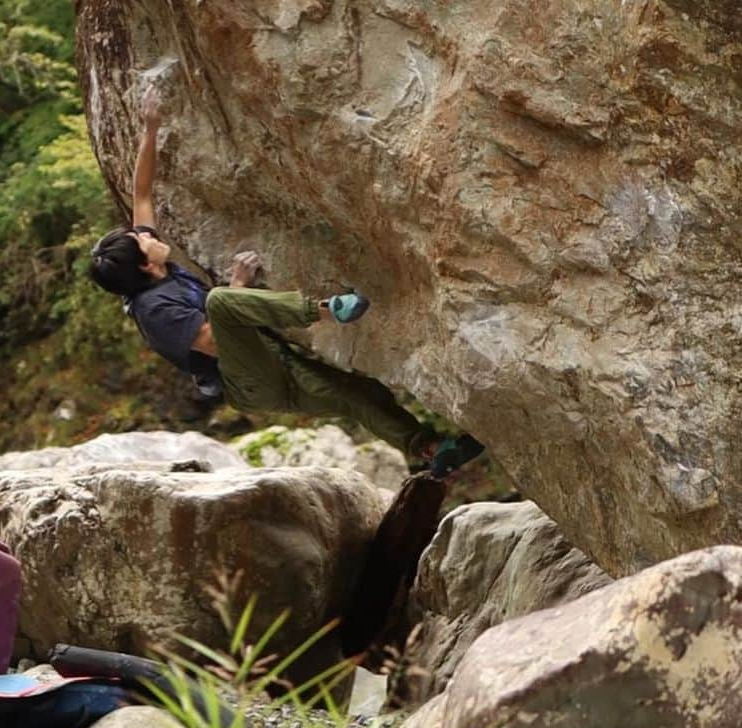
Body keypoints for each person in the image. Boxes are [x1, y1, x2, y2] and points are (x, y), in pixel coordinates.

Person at [89, 86, 483, 479]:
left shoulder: (153, 268)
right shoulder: (154, 310)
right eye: (141, 240)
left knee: (359, 395)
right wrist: (238, 283)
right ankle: (328, 309)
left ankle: (432, 450)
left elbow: (141, 193)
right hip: (250, 378)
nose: (147, 234)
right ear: (143, 266)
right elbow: (213, 340)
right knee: (222, 302)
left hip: (269, 358)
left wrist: (150, 128)